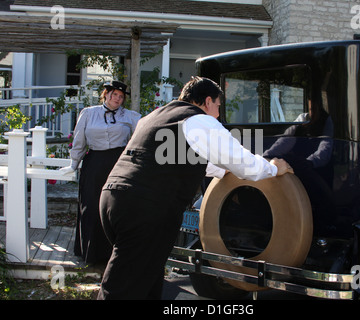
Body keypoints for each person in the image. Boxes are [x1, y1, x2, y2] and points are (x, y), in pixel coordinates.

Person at [97, 76, 292, 300]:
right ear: (208, 101)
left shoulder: (156, 116)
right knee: (123, 287)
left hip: (113, 198)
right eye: (218, 106)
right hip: (144, 208)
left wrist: (222, 170)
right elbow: (242, 162)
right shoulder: (198, 120)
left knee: (146, 278)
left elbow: (182, 156)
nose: (218, 113)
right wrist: (274, 168)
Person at [60, 80, 141, 267]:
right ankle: (91, 252)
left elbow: (144, 132)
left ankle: (114, 254)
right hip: (94, 164)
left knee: (115, 207)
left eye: (121, 97)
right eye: (114, 95)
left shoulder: (130, 116)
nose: (117, 99)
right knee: (91, 205)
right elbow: (79, 139)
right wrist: (73, 164)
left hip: (118, 164)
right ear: (106, 94)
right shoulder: (88, 113)